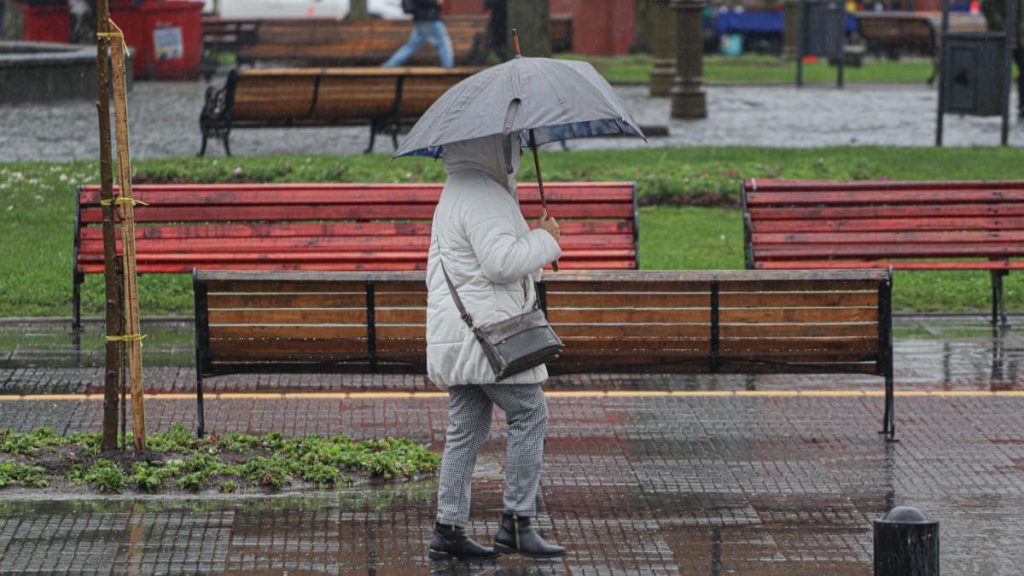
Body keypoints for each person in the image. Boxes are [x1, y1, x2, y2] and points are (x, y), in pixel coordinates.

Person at [425, 133, 566, 561]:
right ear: (493, 146)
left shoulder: (462, 187)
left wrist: (535, 239)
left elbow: (483, 263)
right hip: (487, 335)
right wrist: (545, 238)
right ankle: (517, 524)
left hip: (463, 333)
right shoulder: (483, 193)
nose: (517, 148)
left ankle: (449, 530)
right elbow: (500, 263)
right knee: (530, 412)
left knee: (466, 428)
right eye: (511, 141)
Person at [982, 0, 1024, 117]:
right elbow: (988, 8)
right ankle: (990, 104)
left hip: (1018, 39)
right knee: (995, 73)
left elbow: (1020, 14)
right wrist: (1005, 27)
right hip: (1000, 37)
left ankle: (1022, 104)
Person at [383, 0, 454, 68]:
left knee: (411, 45)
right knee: (443, 43)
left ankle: (389, 65)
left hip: (421, 19)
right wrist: (436, 1)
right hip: (430, 19)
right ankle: (448, 68)